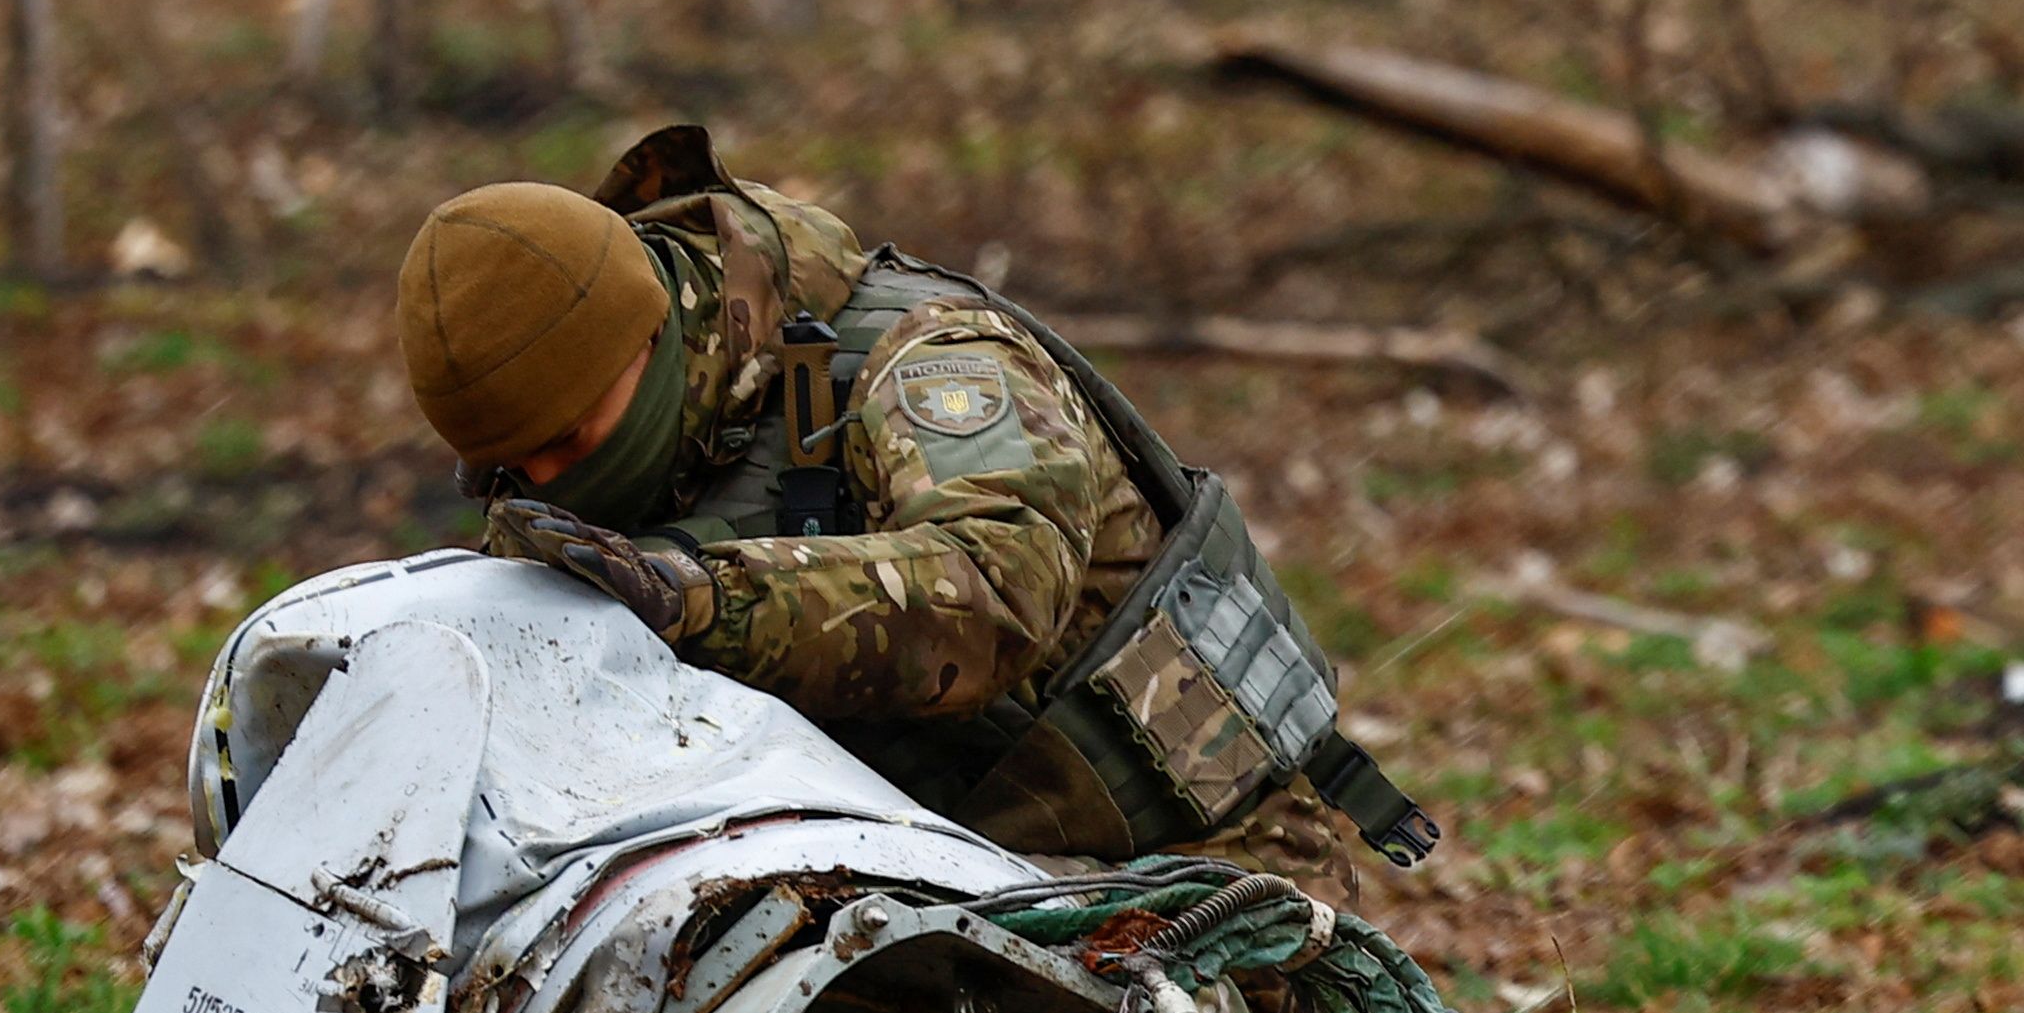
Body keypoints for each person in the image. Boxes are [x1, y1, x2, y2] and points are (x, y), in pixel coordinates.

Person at [393, 124, 1434, 866]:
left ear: (651, 330)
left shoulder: (924, 359)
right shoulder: (587, 451)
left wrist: (698, 600)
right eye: (511, 468)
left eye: (569, 441)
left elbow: (995, 592)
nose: (550, 482)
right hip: (903, 870)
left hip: (1186, 869)